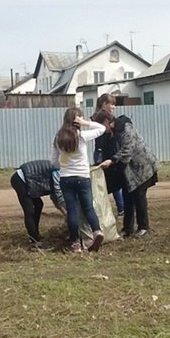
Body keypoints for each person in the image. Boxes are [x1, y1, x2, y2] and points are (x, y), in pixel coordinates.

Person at [95, 109, 159, 238]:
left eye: (101, 126)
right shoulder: (111, 134)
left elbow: (127, 149)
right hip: (128, 170)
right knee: (127, 196)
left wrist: (112, 160)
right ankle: (127, 229)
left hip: (142, 166)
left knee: (139, 196)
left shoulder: (125, 127)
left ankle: (143, 227)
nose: (101, 130)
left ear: (107, 121)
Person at [51, 106, 106, 253]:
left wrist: (63, 165)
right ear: (77, 120)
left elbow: (54, 162)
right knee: (88, 207)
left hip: (66, 178)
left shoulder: (58, 138)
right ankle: (97, 231)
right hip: (83, 177)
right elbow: (101, 128)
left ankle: (75, 243)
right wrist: (86, 123)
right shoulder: (81, 135)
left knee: (72, 210)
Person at [10, 160, 65, 249]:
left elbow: (55, 196)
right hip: (20, 179)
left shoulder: (61, 170)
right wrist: (65, 213)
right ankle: (34, 241)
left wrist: (63, 212)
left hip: (29, 179)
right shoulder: (59, 171)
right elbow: (57, 194)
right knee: (29, 210)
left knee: (39, 204)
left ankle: (35, 234)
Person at [91, 93, 124, 217]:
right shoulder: (102, 116)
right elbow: (107, 132)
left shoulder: (99, 116)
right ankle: (120, 208)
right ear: (104, 104)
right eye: (112, 104)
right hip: (103, 153)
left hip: (102, 152)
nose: (113, 107)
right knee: (111, 182)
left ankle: (117, 208)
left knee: (104, 182)